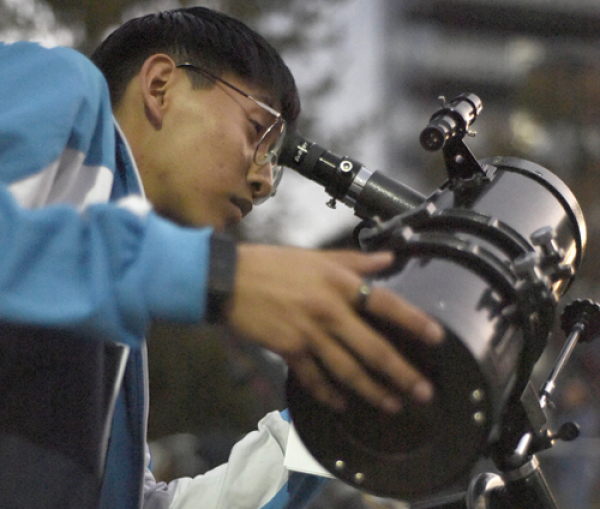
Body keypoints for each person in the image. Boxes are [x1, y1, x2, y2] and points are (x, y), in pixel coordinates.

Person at [0, 6, 444, 509]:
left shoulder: (115, 331)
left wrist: (329, 421)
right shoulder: (60, 84)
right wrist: (217, 275)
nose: (264, 181)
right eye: (258, 131)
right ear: (161, 84)